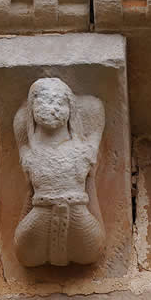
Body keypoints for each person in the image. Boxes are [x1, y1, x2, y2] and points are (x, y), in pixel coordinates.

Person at [13, 77, 105, 267]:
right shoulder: (30, 153)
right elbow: (28, 192)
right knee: (26, 256)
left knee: (91, 250)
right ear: (31, 109)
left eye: (58, 102)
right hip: (39, 215)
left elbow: (91, 186)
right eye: (43, 101)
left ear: (71, 107)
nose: (51, 107)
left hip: (79, 215)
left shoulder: (84, 149)